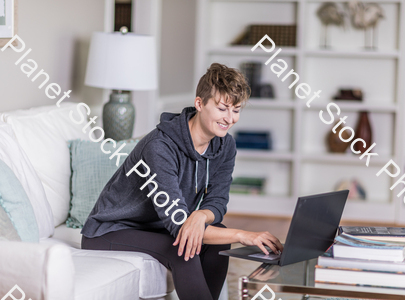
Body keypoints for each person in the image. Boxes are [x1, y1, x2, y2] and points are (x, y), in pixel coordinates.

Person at [80, 63, 284, 300]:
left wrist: (200, 215)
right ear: (199, 104)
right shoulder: (159, 147)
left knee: (218, 239)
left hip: (156, 227)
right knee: (184, 250)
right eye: (222, 108)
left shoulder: (225, 144)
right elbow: (179, 223)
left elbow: (217, 201)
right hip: (111, 230)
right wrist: (244, 235)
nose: (230, 119)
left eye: (236, 110)